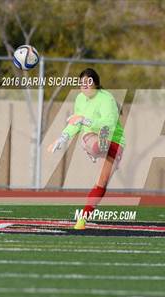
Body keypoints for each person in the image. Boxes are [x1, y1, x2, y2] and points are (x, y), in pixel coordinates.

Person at [47, 68, 125, 230]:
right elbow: (75, 123)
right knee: (94, 142)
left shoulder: (106, 99)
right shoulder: (80, 99)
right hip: (92, 138)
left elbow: (108, 125)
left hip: (114, 141)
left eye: (89, 82)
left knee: (101, 183)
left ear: (96, 84)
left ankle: (82, 219)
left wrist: (85, 120)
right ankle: (94, 149)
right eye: (82, 83)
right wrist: (62, 138)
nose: (85, 85)